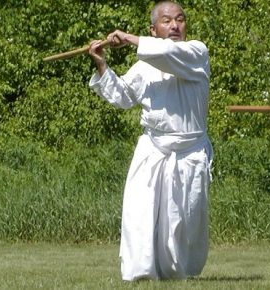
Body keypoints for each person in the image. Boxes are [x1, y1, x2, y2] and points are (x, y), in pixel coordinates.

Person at [87, 1, 212, 281]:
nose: (175, 26)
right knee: (139, 214)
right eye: (167, 21)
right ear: (153, 29)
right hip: (153, 148)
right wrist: (101, 64)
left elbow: (169, 53)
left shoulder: (196, 53)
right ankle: (140, 273)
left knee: (182, 221)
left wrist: (129, 39)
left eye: (179, 20)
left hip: (188, 152)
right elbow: (123, 97)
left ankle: (179, 272)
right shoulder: (144, 66)